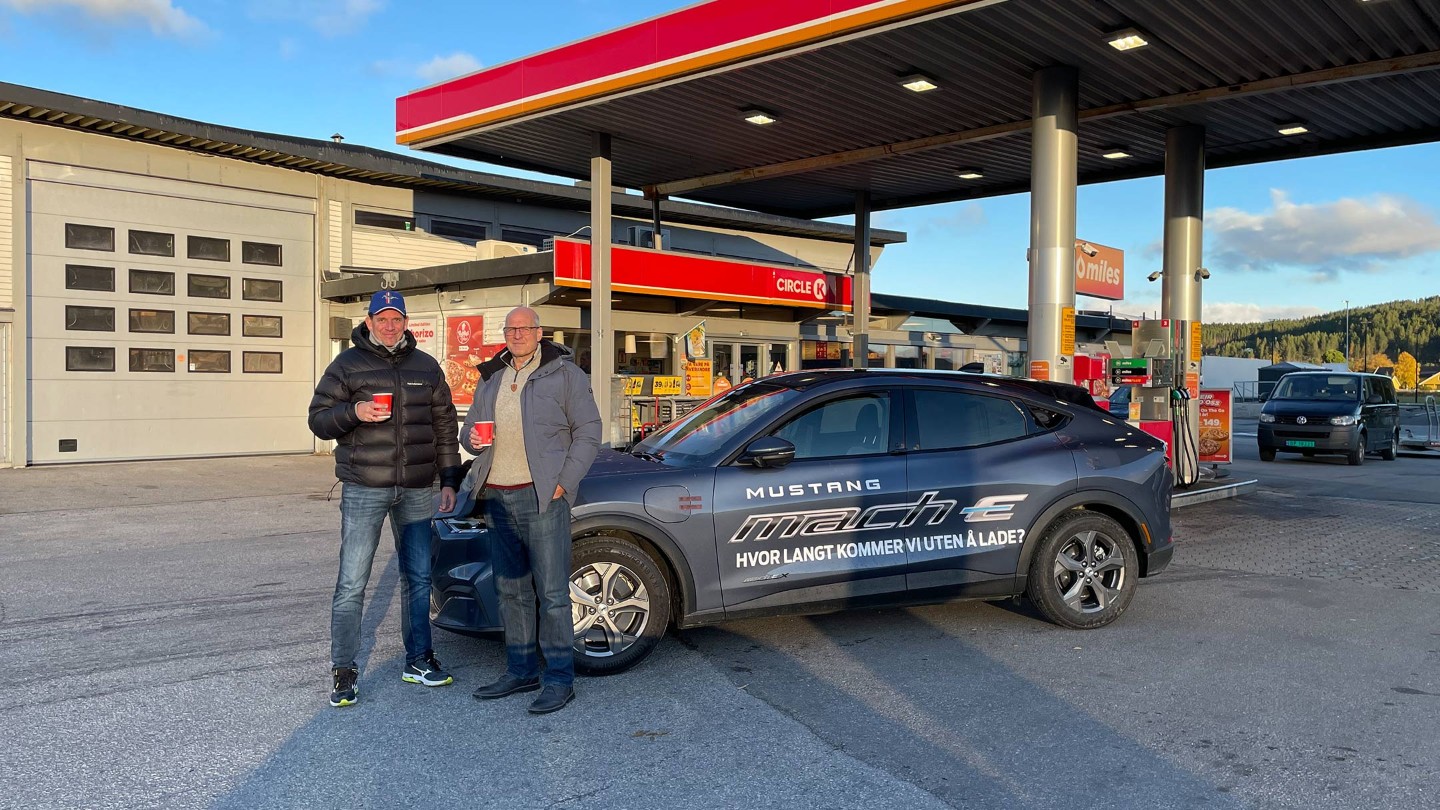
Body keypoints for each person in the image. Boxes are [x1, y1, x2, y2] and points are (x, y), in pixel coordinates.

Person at [308, 290, 463, 708]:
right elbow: (318, 420)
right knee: (352, 582)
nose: (390, 326)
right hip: (364, 486)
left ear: (405, 322)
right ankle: (344, 668)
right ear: (370, 320)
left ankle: (418, 660)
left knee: (418, 579)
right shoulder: (346, 365)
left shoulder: (426, 367)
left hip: (416, 487)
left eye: (397, 319)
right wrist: (353, 413)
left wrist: (449, 477)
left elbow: (444, 426)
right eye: (383, 318)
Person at [461, 306, 602, 714]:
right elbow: (470, 431)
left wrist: (564, 481)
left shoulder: (565, 374)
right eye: (511, 328)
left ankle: (560, 678)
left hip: (542, 496)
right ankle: (521, 670)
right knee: (511, 590)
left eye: (525, 328)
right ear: (504, 333)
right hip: (497, 496)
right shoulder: (492, 378)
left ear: (539, 332)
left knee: (553, 593)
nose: (518, 334)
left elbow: (590, 431)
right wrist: (471, 439)